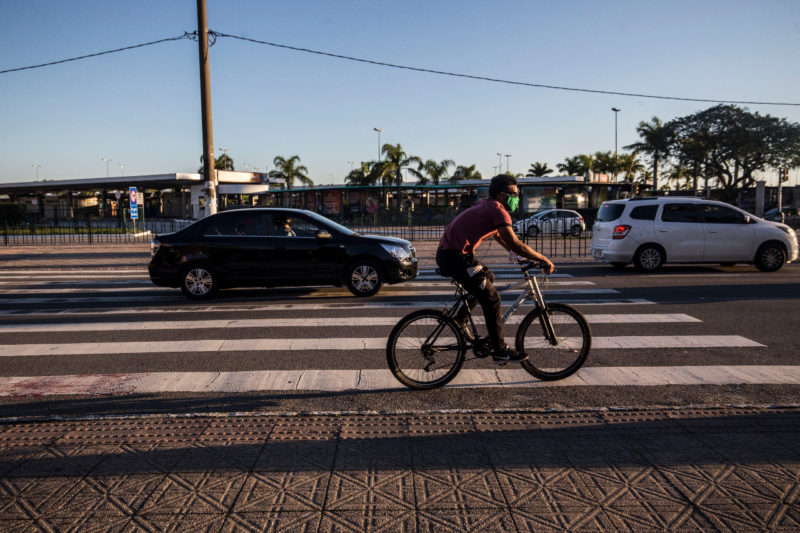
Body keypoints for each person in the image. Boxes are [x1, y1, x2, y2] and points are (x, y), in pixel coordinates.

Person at [436, 174, 555, 364]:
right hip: (455, 257)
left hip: (455, 254)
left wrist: (514, 254)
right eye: (514, 194)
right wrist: (543, 259)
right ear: (501, 195)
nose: (517, 198)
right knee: (492, 298)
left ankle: (460, 319)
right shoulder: (497, 210)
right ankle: (500, 351)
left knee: (487, 276)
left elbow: (501, 236)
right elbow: (514, 242)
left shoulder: (488, 204)